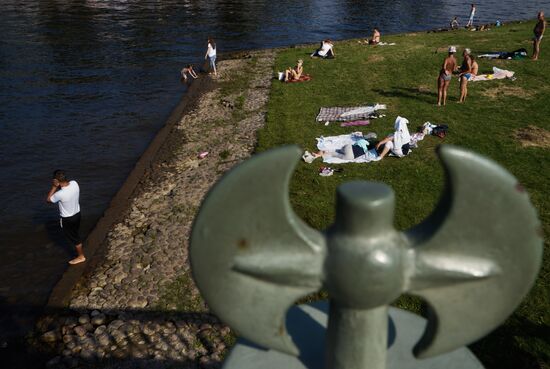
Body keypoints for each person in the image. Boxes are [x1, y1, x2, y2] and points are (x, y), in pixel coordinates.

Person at [46, 170, 85, 265]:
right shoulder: (74, 183)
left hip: (68, 218)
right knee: (75, 233)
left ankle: (81, 256)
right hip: (77, 214)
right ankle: (79, 247)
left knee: (74, 238)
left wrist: (54, 187)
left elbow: (48, 200)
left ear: (56, 180)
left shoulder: (60, 194)